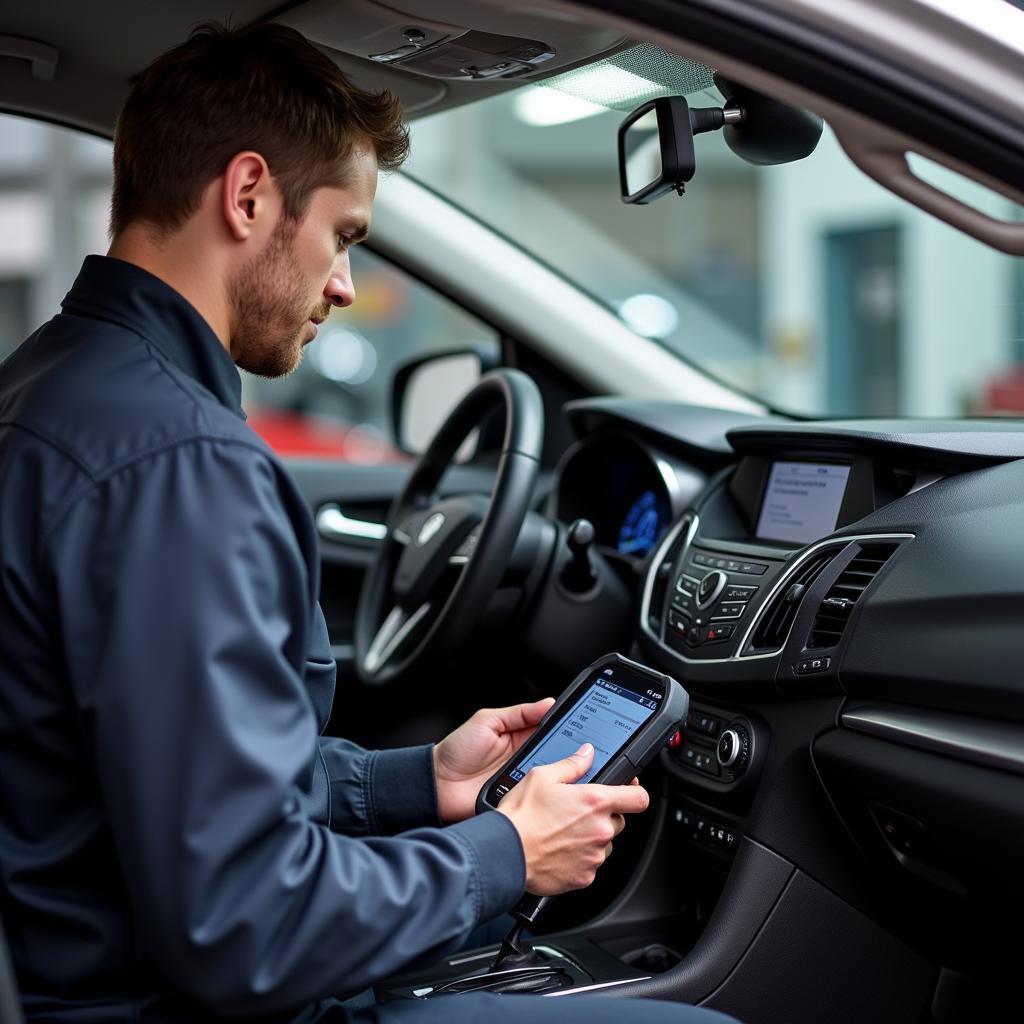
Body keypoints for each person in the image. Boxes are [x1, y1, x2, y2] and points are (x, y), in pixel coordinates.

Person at [0, 21, 738, 1024]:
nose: (344, 286)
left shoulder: (50, 386)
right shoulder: (182, 465)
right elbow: (246, 925)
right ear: (249, 194)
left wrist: (416, 781)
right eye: (343, 236)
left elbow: (163, 772)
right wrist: (507, 852)